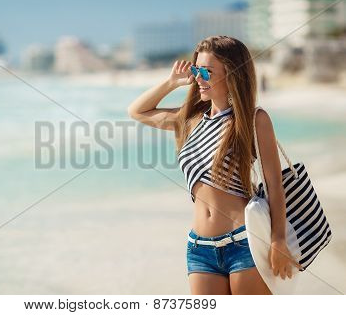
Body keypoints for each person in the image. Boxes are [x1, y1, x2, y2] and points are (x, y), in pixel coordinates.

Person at [127, 35, 298, 295]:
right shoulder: (189, 119)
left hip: (244, 244)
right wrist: (171, 82)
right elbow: (137, 111)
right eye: (196, 70)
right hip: (199, 249)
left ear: (233, 74)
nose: (198, 78)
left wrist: (278, 240)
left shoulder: (253, 119)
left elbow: (275, 186)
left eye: (206, 71)